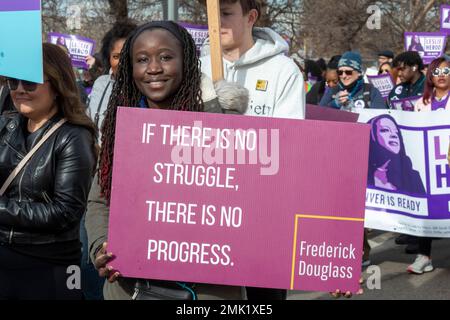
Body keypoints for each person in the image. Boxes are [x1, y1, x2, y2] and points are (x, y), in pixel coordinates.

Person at [85, 21, 248, 300]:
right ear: (129, 68)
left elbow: (262, 209)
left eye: (166, 57)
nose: (154, 68)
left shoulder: (226, 129)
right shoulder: (122, 130)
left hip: (208, 293)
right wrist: (101, 246)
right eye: (142, 59)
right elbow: (99, 201)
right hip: (129, 289)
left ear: (186, 62)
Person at [0, 43, 97, 300]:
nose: (20, 89)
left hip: (47, 266)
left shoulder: (74, 137)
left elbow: (65, 212)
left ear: (56, 85)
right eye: (13, 81)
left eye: (30, 82)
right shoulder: (7, 124)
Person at [199, 0, 305, 120]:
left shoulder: (284, 72)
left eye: (226, 14)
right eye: (212, 14)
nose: (216, 22)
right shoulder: (198, 69)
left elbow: (288, 134)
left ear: (250, 17)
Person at [406, 57, 450, 274]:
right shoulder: (421, 104)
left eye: (447, 70)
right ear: (430, 76)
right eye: (437, 71)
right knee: (428, 208)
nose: (442, 75)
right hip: (430, 166)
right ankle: (424, 256)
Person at [87, 21, 137, 136]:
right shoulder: (101, 84)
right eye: (116, 56)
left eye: (127, 55)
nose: (122, 62)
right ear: (108, 57)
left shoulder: (146, 89)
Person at [367, 114, 425, 194]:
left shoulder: (413, 177)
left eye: (396, 132)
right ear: (372, 136)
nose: (394, 135)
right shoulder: (361, 174)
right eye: (385, 130)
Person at [319, 51, 386, 110]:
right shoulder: (333, 91)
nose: (344, 76)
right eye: (340, 72)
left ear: (359, 73)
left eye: (348, 72)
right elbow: (318, 115)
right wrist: (334, 104)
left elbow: (379, 119)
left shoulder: (371, 91)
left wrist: (354, 109)